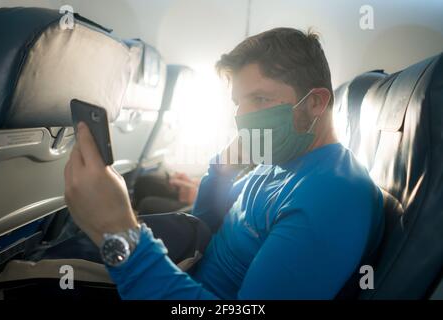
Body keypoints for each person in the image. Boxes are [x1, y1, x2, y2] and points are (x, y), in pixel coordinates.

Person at [64, 27, 385, 299]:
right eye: (238, 103)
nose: (242, 116)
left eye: (259, 99)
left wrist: (118, 233)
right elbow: (209, 223)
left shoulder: (333, 197)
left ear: (315, 102)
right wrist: (221, 169)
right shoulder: (281, 159)